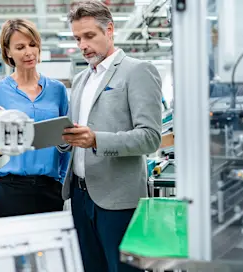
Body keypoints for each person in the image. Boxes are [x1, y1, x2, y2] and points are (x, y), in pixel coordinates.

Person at [57, 1, 162, 272]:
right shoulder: (81, 79)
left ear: (110, 30)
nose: (82, 45)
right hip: (80, 198)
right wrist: (62, 138)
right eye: (77, 38)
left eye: (89, 36)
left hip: (117, 199)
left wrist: (96, 140)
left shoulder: (137, 71)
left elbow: (150, 137)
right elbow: (78, 132)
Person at [0, 19, 70, 219]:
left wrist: (62, 181)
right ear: (8, 52)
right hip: (8, 189)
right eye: (20, 47)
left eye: (32, 45)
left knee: (50, 249)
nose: (29, 52)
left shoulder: (57, 90)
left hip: (49, 189)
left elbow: (66, 139)